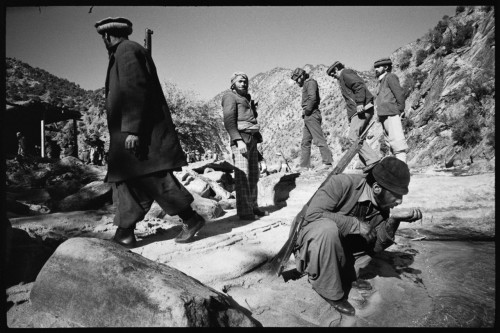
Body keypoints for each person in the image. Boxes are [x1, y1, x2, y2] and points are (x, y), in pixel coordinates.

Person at [95, 17, 205, 247]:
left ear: (107, 36)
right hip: (127, 135)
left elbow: (135, 90)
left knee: (154, 178)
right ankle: (124, 232)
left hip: (137, 135)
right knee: (127, 182)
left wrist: (133, 130)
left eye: (102, 38)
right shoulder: (124, 51)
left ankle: (191, 218)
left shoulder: (126, 50)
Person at [293, 156, 422, 316]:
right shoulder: (341, 183)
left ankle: (342, 273)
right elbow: (313, 215)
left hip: (341, 250)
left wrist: (394, 220)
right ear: (376, 188)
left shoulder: (382, 206)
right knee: (327, 228)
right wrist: (355, 224)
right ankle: (330, 292)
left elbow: (376, 245)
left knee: (362, 245)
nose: (400, 201)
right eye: (396, 195)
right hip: (314, 244)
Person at [222, 71, 268, 220]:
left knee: (254, 175)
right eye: (240, 81)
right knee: (243, 176)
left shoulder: (247, 98)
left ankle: (253, 207)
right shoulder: (230, 96)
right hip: (241, 138)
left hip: (252, 138)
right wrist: (238, 140)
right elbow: (229, 121)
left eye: (245, 81)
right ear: (233, 83)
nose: (243, 83)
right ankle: (245, 212)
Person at [326, 61, 381, 168]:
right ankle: (365, 165)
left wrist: (360, 103)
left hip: (361, 109)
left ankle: (373, 160)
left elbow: (359, 86)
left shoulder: (345, 73)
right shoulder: (343, 77)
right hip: (359, 111)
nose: (333, 76)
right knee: (359, 138)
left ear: (336, 69)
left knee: (353, 137)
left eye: (332, 73)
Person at [291, 68, 333, 172]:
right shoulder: (307, 84)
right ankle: (304, 166)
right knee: (305, 142)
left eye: (297, 80)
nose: (296, 82)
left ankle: (327, 163)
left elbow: (313, 98)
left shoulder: (310, 83)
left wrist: (307, 111)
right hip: (308, 116)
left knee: (318, 139)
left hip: (312, 114)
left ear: (301, 76)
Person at [373, 57, 409, 163]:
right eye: (375, 67)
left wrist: (400, 109)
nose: (376, 69)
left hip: (391, 113)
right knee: (390, 143)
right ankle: (397, 170)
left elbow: (399, 93)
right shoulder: (381, 81)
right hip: (384, 115)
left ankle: (403, 167)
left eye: (378, 67)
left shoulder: (390, 77)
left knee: (397, 142)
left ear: (386, 67)